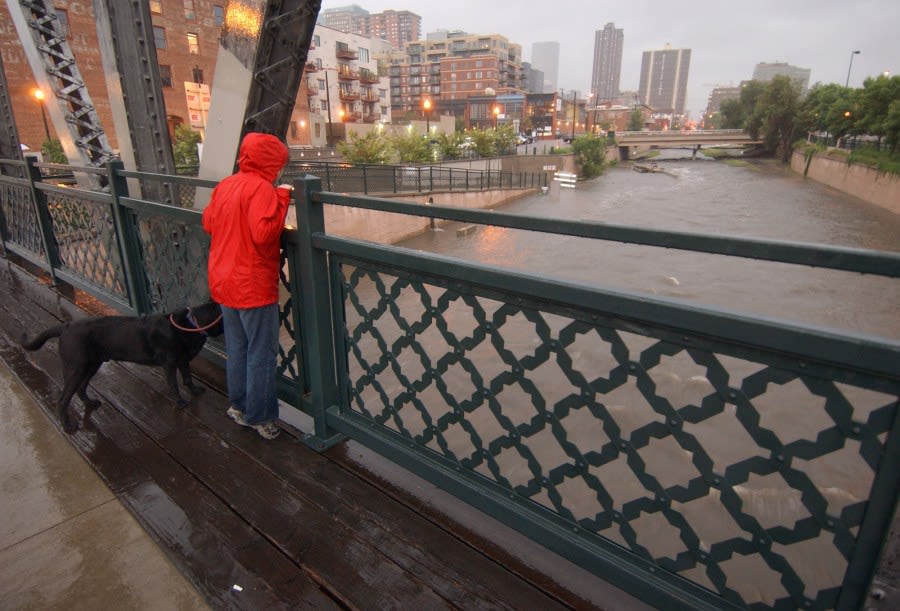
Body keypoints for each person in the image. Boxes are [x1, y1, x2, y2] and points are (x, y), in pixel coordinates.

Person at [201, 132, 293, 440]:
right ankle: (261, 417)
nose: (281, 170)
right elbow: (264, 234)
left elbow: (209, 223)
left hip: (225, 281)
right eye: (279, 164)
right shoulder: (262, 189)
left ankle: (238, 407)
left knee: (237, 348)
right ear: (271, 164)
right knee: (261, 354)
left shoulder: (226, 185)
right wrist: (281, 198)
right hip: (252, 285)